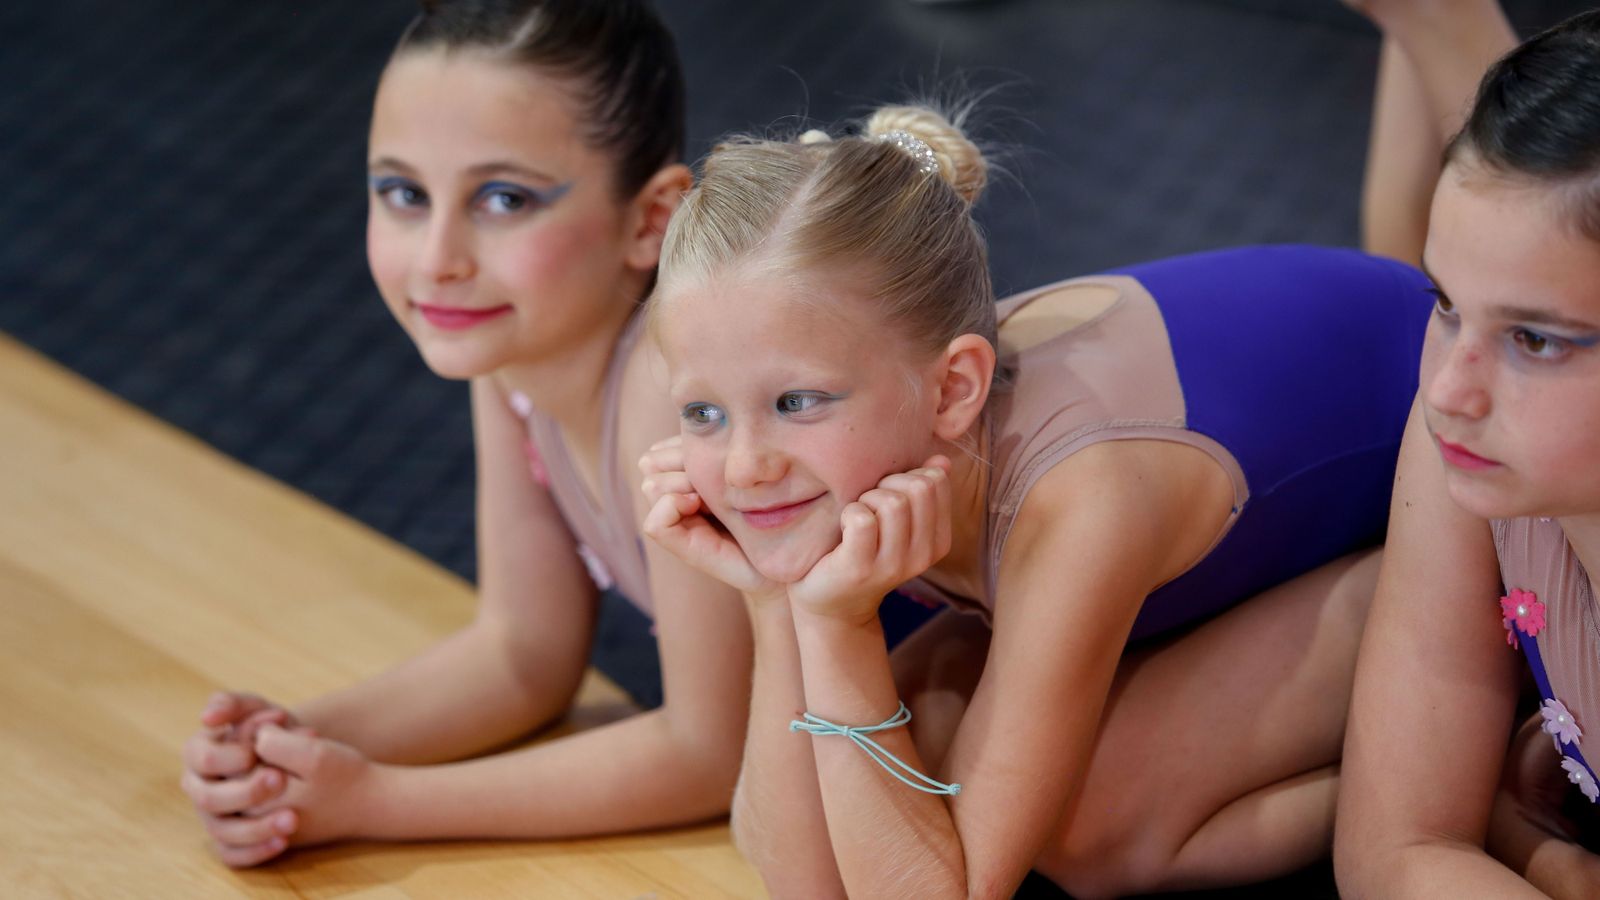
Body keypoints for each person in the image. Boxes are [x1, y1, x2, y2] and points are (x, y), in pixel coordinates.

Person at [636, 103, 1436, 894]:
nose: (742, 469)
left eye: (798, 402)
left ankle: (1460, 770)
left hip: (1451, 493)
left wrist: (835, 631)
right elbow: (804, 879)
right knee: (909, 765)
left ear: (954, 389)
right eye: (703, 414)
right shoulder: (894, 432)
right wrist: (780, 607)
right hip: (1246, 521)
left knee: (1082, 828)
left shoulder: (1075, 506)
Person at [176, 0, 755, 868]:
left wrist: (377, 801)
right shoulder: (514, 353)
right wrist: (292, 744)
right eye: (404, 194)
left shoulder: (670, 391)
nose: (438, 255)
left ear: (651, 219)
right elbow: (523, 654)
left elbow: (714, 753)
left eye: (502, 198)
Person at [1335, 4, 1600, 896]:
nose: (1449, 389)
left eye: (1536, 339)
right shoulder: (1468, 435)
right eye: (1446, 304)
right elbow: (1393, 850)